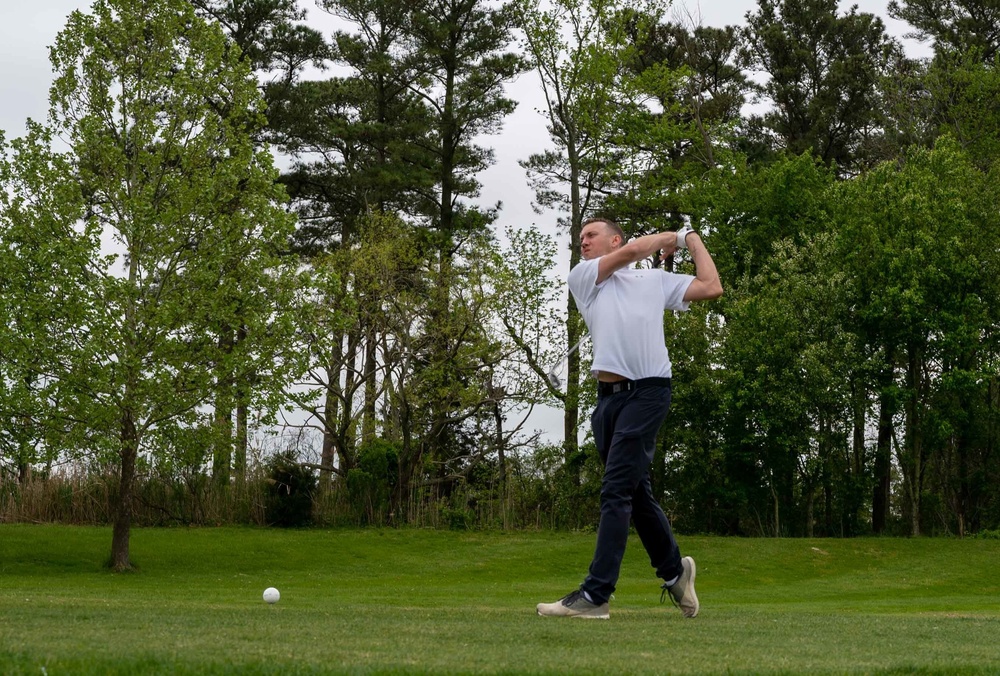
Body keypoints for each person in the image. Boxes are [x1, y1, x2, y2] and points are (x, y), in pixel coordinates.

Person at [536, 217, 723, 620]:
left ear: (615, 238)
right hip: (608, 402)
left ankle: (596, 595)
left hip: (649, 392)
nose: (582, 242)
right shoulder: (584, 278)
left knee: (615, 491)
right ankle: (675, 572)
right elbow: (634, 252)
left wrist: (690, 238)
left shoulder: (653, 282)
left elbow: (711, 285)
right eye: (580, 237)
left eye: (591, 235)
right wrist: (670, 237)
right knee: (636, 496)